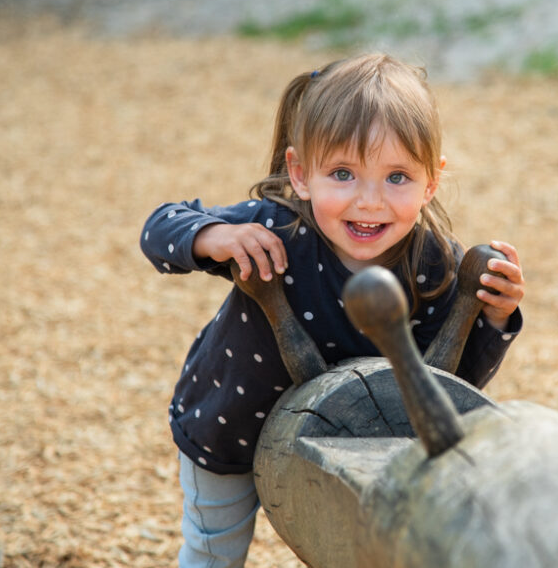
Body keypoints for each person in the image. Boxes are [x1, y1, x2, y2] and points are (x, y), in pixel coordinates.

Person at [140, 53, 525, 568]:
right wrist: (215, 236)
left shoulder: (435, 265)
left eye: (397, 178)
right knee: (213, 553)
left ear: (431, 181)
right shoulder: (276, 230)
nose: (369, 201)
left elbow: (451, 385)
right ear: (300, 174)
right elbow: (158, 228)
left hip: (355, 446)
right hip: (229, 427)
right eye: (343, 173)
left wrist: (494, 318)